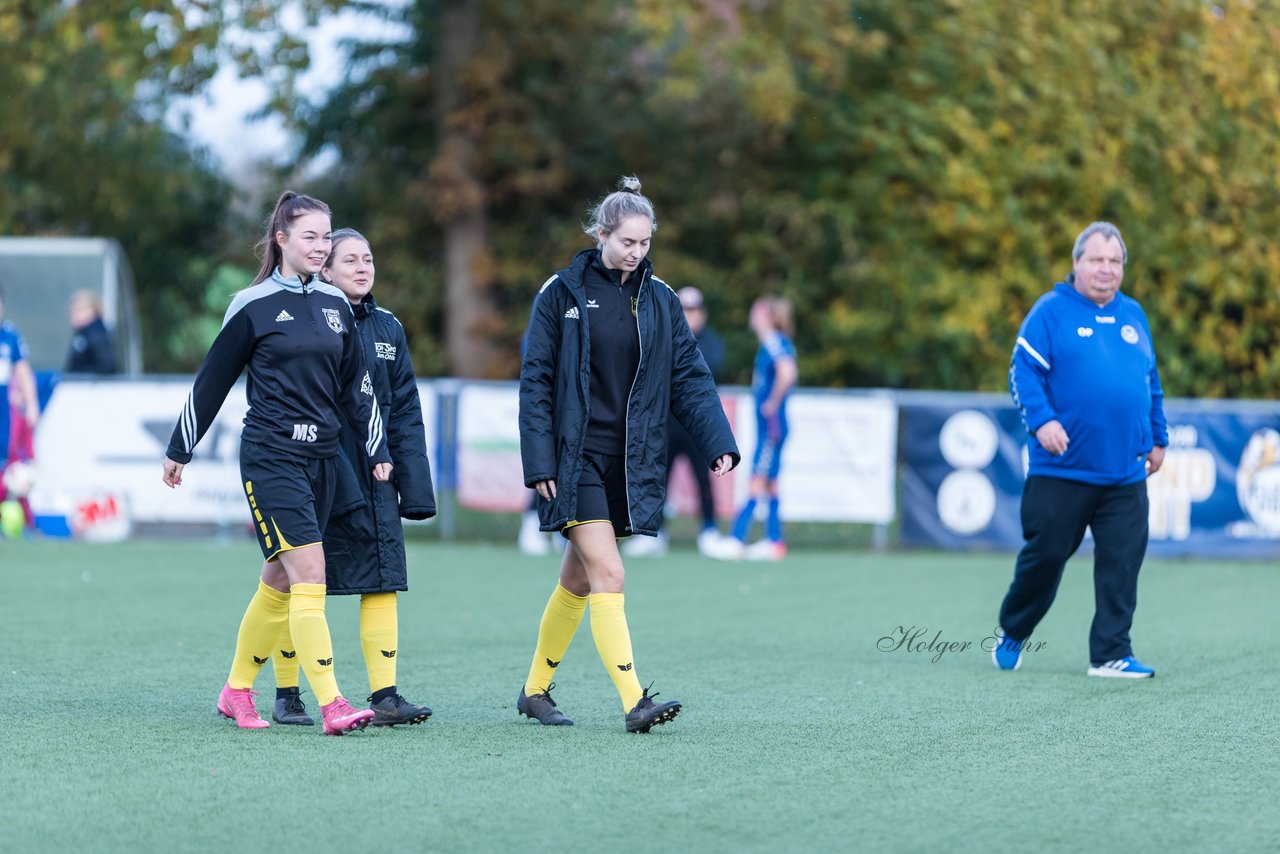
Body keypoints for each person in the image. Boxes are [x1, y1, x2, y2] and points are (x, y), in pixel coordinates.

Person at [162, 191, 392, 734]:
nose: (321, 246)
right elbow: (211, 382)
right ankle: (333, 703)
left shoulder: (337, 306)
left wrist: (378, 449)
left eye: (326, 237)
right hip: (271, 457)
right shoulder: (252, 303)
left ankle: (236, 691)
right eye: (309, 236)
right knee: (311, 570)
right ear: (281, 239)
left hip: (324, 462)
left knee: (281, 580)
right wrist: (179, 448)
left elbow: (357, 387)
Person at [517, 176, 739, 732]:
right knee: (610, 572)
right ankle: (635, 699)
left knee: (579, 579)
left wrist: (717, 440)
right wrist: (539, 459)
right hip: (576, 458)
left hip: (628, 458)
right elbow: (536, 379)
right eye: (627, 243)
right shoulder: (561, 292)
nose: (636, 253)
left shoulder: (661, 300)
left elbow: (689, 376)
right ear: (601, 234)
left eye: (644, 244)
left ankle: (534, 691)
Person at [268, 228, 436, 728]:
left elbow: (404, 407)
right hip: (315, 466)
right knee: (298, 581)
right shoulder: (309, 322)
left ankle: (385, 695)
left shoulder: (388, 327)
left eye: (369, 259)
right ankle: (287, 693)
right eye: (351, 260)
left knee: (383, 579)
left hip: (377, 471)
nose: (363, 267)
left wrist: (415, 483)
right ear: (325, 268)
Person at [993, 221, 1167, 678]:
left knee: (1122, 563)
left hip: (1124, 473)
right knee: (1045, 557)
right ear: (1077, 264)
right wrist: (1043, 420)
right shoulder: (1050, 312)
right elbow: (1022, 373)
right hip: (1062, 470)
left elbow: (1150, 382)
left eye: (1114, 261)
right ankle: (1013, 630)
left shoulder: (1134, 315)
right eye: (1096, 260)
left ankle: (1110, 652)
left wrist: (1158, 436)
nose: (1106, 269)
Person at [624, 285, 726, 558]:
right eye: (685, 310)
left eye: (694, 310)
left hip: (695, 428)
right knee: (657, 479)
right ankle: (654, 533)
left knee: (703, 479)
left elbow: (708, 369)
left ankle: (709, 531)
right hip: (665, 424)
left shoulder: (710, 342)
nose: (690, 315)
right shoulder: (662, 337)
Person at [709, 295, 798, 562]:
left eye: (757, 311)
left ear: (768, 317)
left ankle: (737, 538)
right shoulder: (772, 343)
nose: (753, 315)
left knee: (757, 480)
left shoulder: (774, 342)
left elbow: (788, 372)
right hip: (771, 428)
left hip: (771, 428)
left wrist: (772, 402)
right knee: (769, 484)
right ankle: (775, 541)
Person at [0, 285, 39, 534]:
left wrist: (31, 403)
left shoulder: (9, 335)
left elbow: (22, 371)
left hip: (2, 406)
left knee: (5, 462)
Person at [64, 290, 118, 374]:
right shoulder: (84, 334)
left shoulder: (96, 334)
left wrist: (81, 376)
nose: (75, 315)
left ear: (94, 311)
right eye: (72, 311)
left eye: (80, 310)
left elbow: (108, 366)